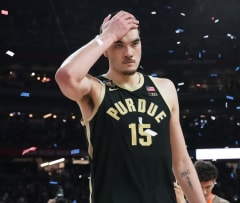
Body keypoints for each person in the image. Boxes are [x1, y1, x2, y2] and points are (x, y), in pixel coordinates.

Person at [55, 10, 206, 203]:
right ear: (106, 49)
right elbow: (66, 76)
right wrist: (107, 36)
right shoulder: (95, 89)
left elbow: (182, 163)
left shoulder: (165, 88)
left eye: (135, 43)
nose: (129, 53)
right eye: (118, 45)